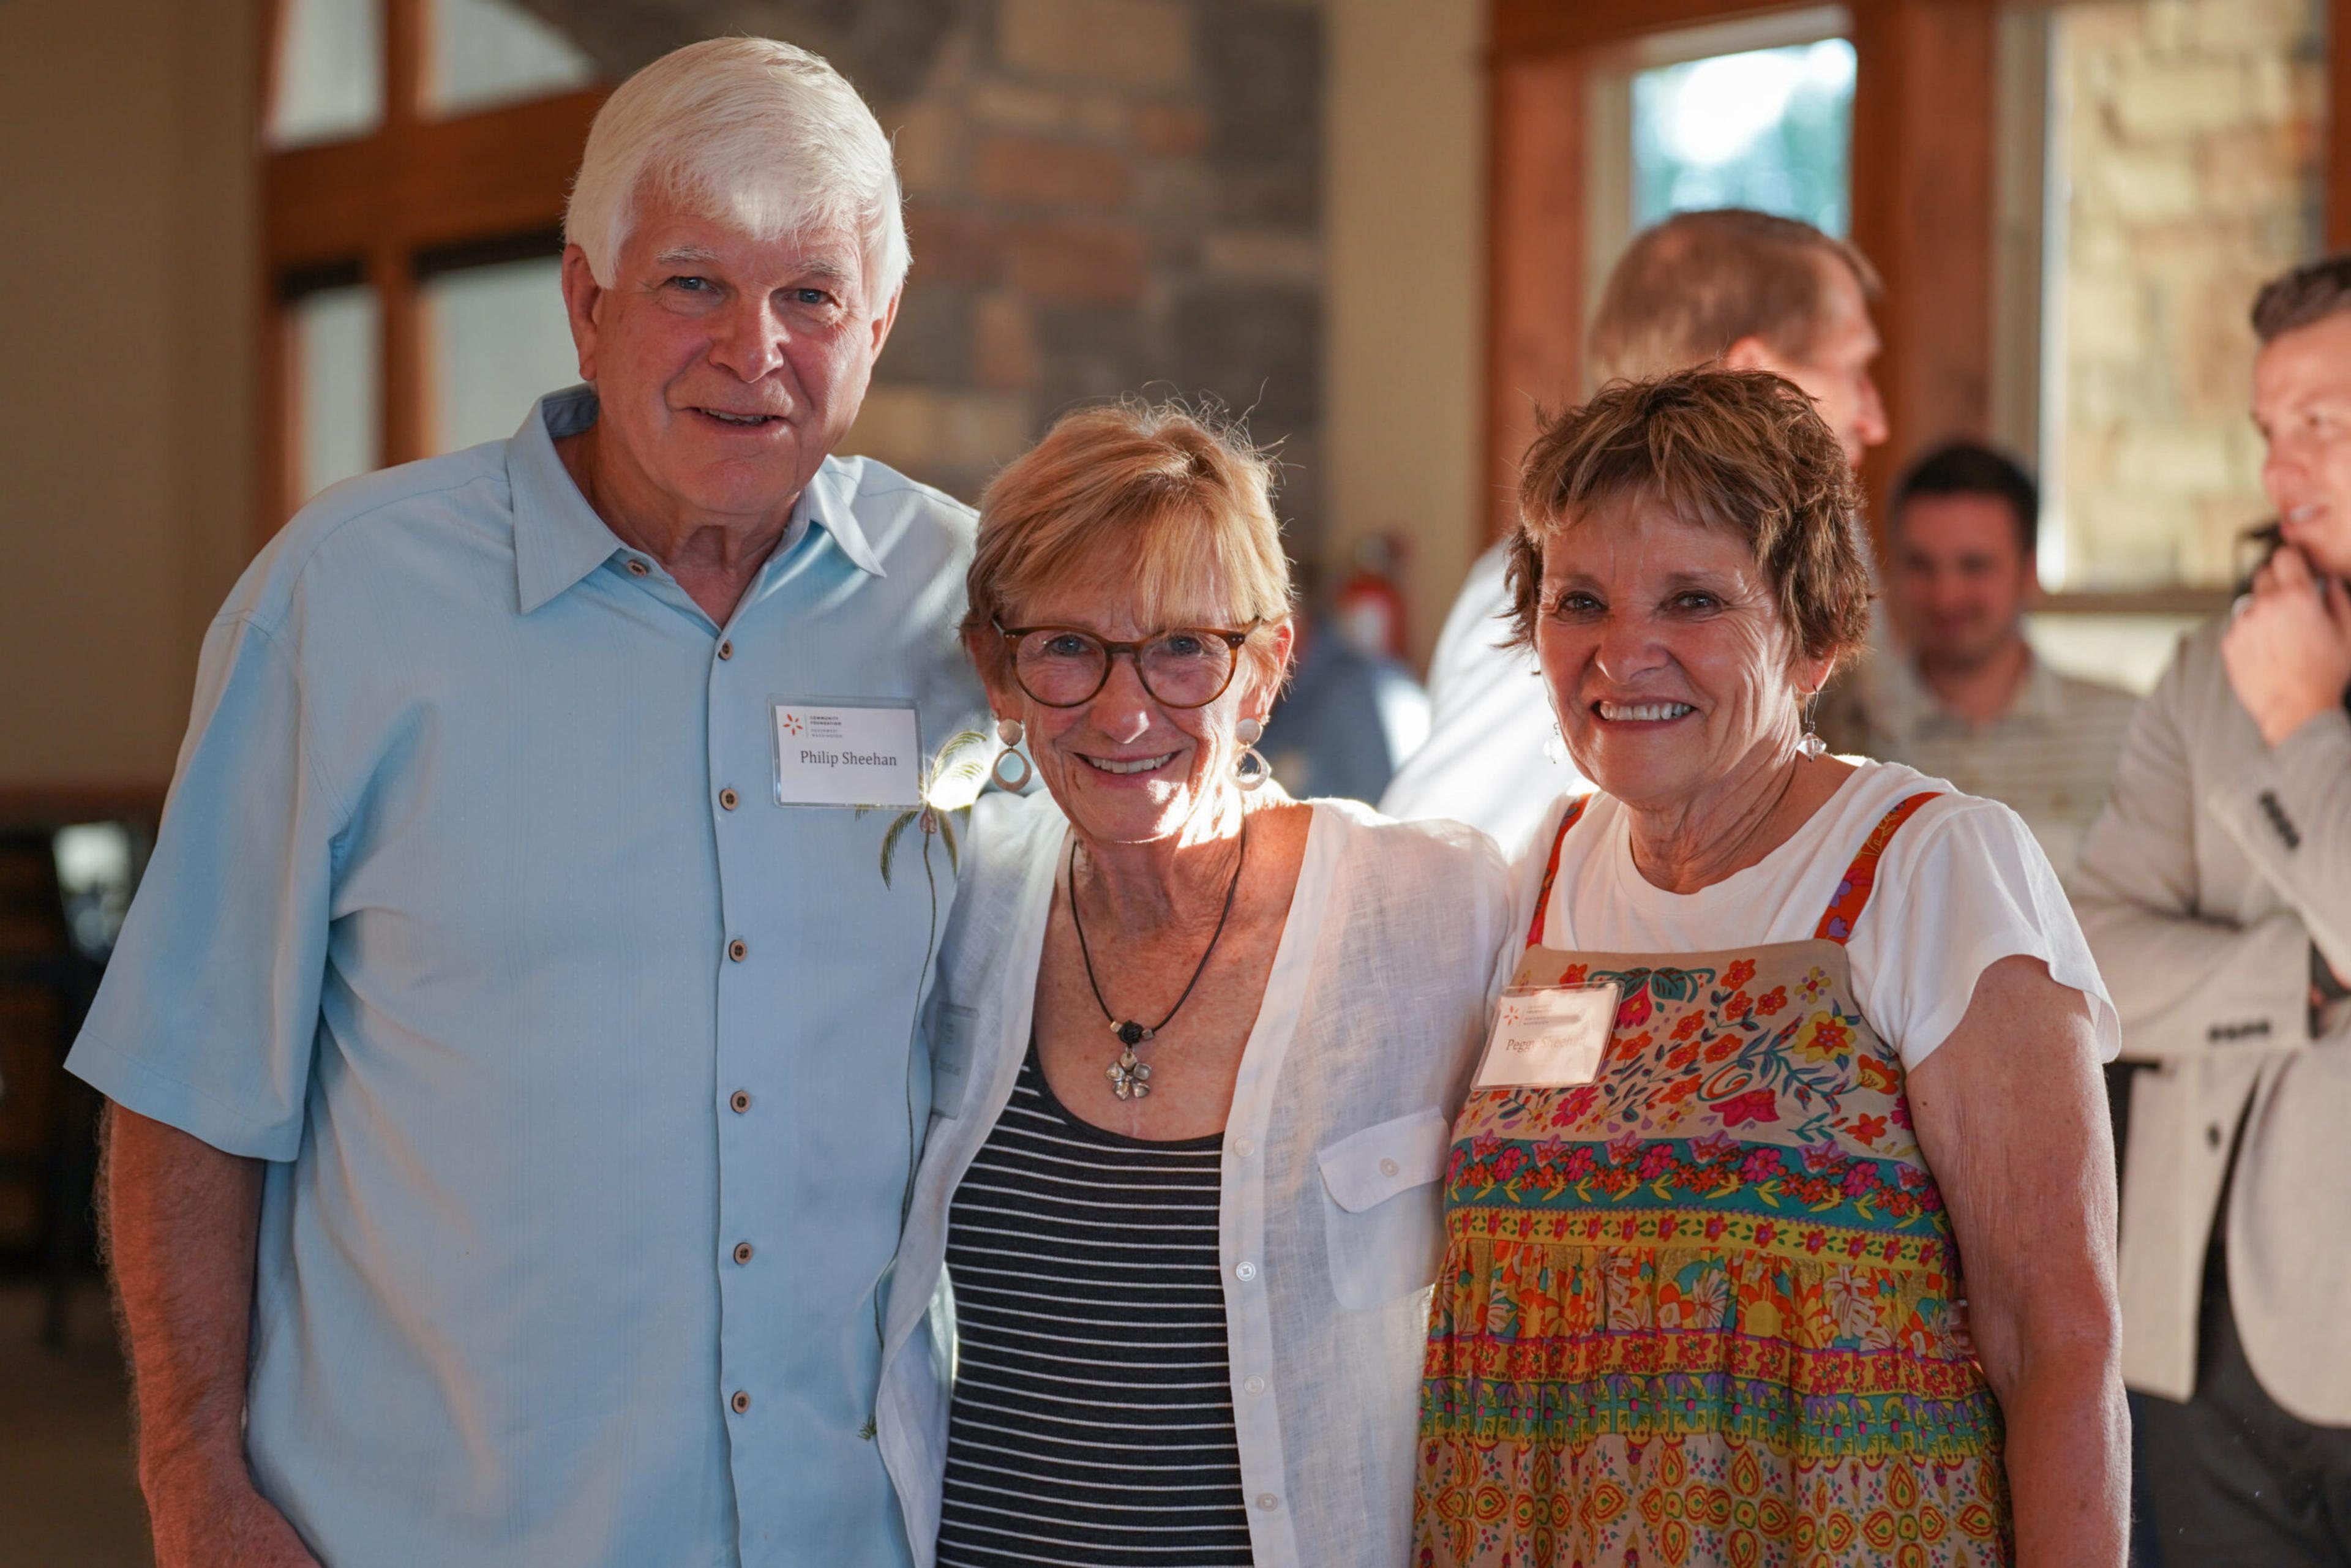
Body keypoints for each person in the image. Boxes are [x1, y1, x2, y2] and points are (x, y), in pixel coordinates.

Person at [67, 38, 984, 1567]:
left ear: (878, 321)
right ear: (586, 300)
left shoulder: (970, 610)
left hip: (859, 1527)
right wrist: (191, 1476)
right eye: (693, 281)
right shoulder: (345, 600)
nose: (753, 348)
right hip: (426, 1526)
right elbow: (185, 1077)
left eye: (811, 294)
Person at [1414, 368, 2128, 1566]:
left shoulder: (1931, 867)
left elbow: (2056, 1339)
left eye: (1692, 599)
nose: (1622, 652)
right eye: (1579, 597)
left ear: (1814, 632)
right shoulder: (1530, 878)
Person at [872, 401, 1515, 1567]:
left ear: (1266, 668)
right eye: (1068, 647)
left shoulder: (1432, 910)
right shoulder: (957, 906)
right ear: (997, 672)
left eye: (1183, 649)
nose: (1126, 712)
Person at [2074, 255, 2351, 1564]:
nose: (2282, 471)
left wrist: (2304, 729)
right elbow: (2099, 954)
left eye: (2325, 425)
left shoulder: (2271, 687)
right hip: (2190, 1334)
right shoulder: (2208, 665)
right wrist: (2297, 983)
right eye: (2266, 431)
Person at [1381, 208, 1889, 852]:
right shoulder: (1566, 583)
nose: (1874, 419)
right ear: (1765, 379)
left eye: (1693, 602)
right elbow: (1445, 854)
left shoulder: (1799, 560)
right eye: (1853, 371)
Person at [1819, 440, 2139, 882]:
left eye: (1974, 566)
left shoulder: (2124, 731)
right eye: (1920, 565)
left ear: (2029, 572)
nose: (1946, 595)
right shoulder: (1843, 736)